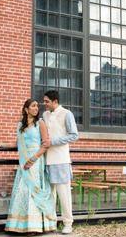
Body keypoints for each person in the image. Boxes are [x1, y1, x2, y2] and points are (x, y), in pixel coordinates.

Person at [0, 99, 56, 234]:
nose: (36, 109)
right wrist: (2, 145)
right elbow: (18, 144)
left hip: (36, 161)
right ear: (26, 109)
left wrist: (33, 159)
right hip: (24, 162)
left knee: (33, 192)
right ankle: (20, 225)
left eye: (37, 106)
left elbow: (45, 145)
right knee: (22, 191)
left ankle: (36, 226)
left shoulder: (40, 123)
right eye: (33, 106)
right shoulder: (20, 125)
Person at [42, 90, 78, 235]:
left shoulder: (67, 114)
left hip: (61, 160)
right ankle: (52, 223)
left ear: (55, 101)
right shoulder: (44, 115)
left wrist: (54, 141)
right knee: (49, 194)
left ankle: (68, 223)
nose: (43, 104)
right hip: (45, 160)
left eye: (46, 101)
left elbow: (74, 135)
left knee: (63, 194)